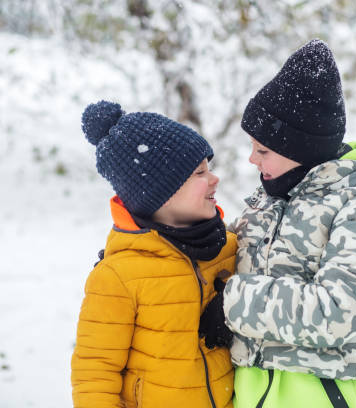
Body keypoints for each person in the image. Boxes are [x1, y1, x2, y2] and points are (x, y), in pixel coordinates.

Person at [220, 39, 356, 407]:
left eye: (262, 149)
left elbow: (339, 312)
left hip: (317, 393)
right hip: (251, 391)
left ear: (300, 148)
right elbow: (224, 252)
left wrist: (227, 301)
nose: (251, 159)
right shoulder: (276, 195)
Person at [70, 101, 237, 408]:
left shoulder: (227, 247)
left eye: (209, 168)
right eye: (199, 172)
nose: (214, 179)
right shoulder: (119, 276)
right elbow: (95, 374)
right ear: (161, 193)